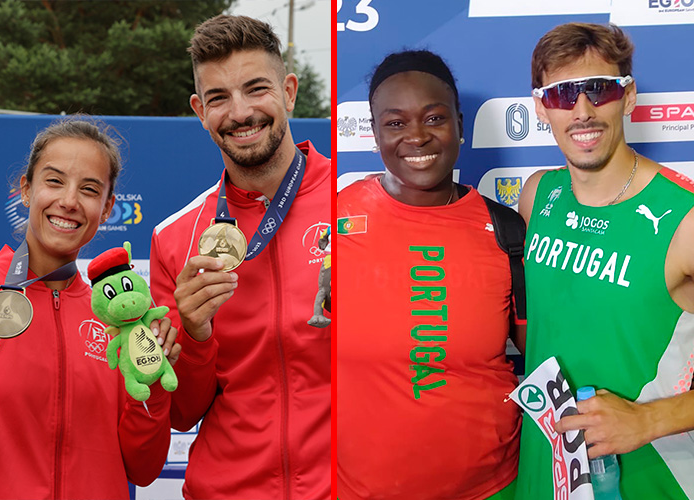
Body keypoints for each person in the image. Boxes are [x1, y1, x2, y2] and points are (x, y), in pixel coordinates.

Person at [149, 15, 331, 500]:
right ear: (199, 111)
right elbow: (183, 412)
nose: (240, 112)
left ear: (289, 91)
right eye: (218, 98)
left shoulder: (357, 201)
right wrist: (194, 333)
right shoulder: (175, 238)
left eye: (256, 89)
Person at [516, 22, 694, 500]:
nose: (582, 111)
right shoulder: (538, 195)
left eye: (599, 89)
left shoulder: (686, 218)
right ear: (541, 108)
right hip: (543, 469)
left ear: (628, 96)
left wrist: (650, 418)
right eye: (561, 95)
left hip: (650, 477)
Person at [337, 50, 525, 500]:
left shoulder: (507, 230)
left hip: (494, 487)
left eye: (434, 118)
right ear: (376, 132)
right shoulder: (337, 217)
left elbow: (543, 352)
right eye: (396, 123)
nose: (416, 137)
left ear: (459, 123)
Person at [0, 116, 179, 499]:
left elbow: (145, 468)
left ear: (106, 208)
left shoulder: (121, 322)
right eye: (54, 181)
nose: (69, 201)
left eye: (89, 189)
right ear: (26, 189)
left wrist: (149, 386)